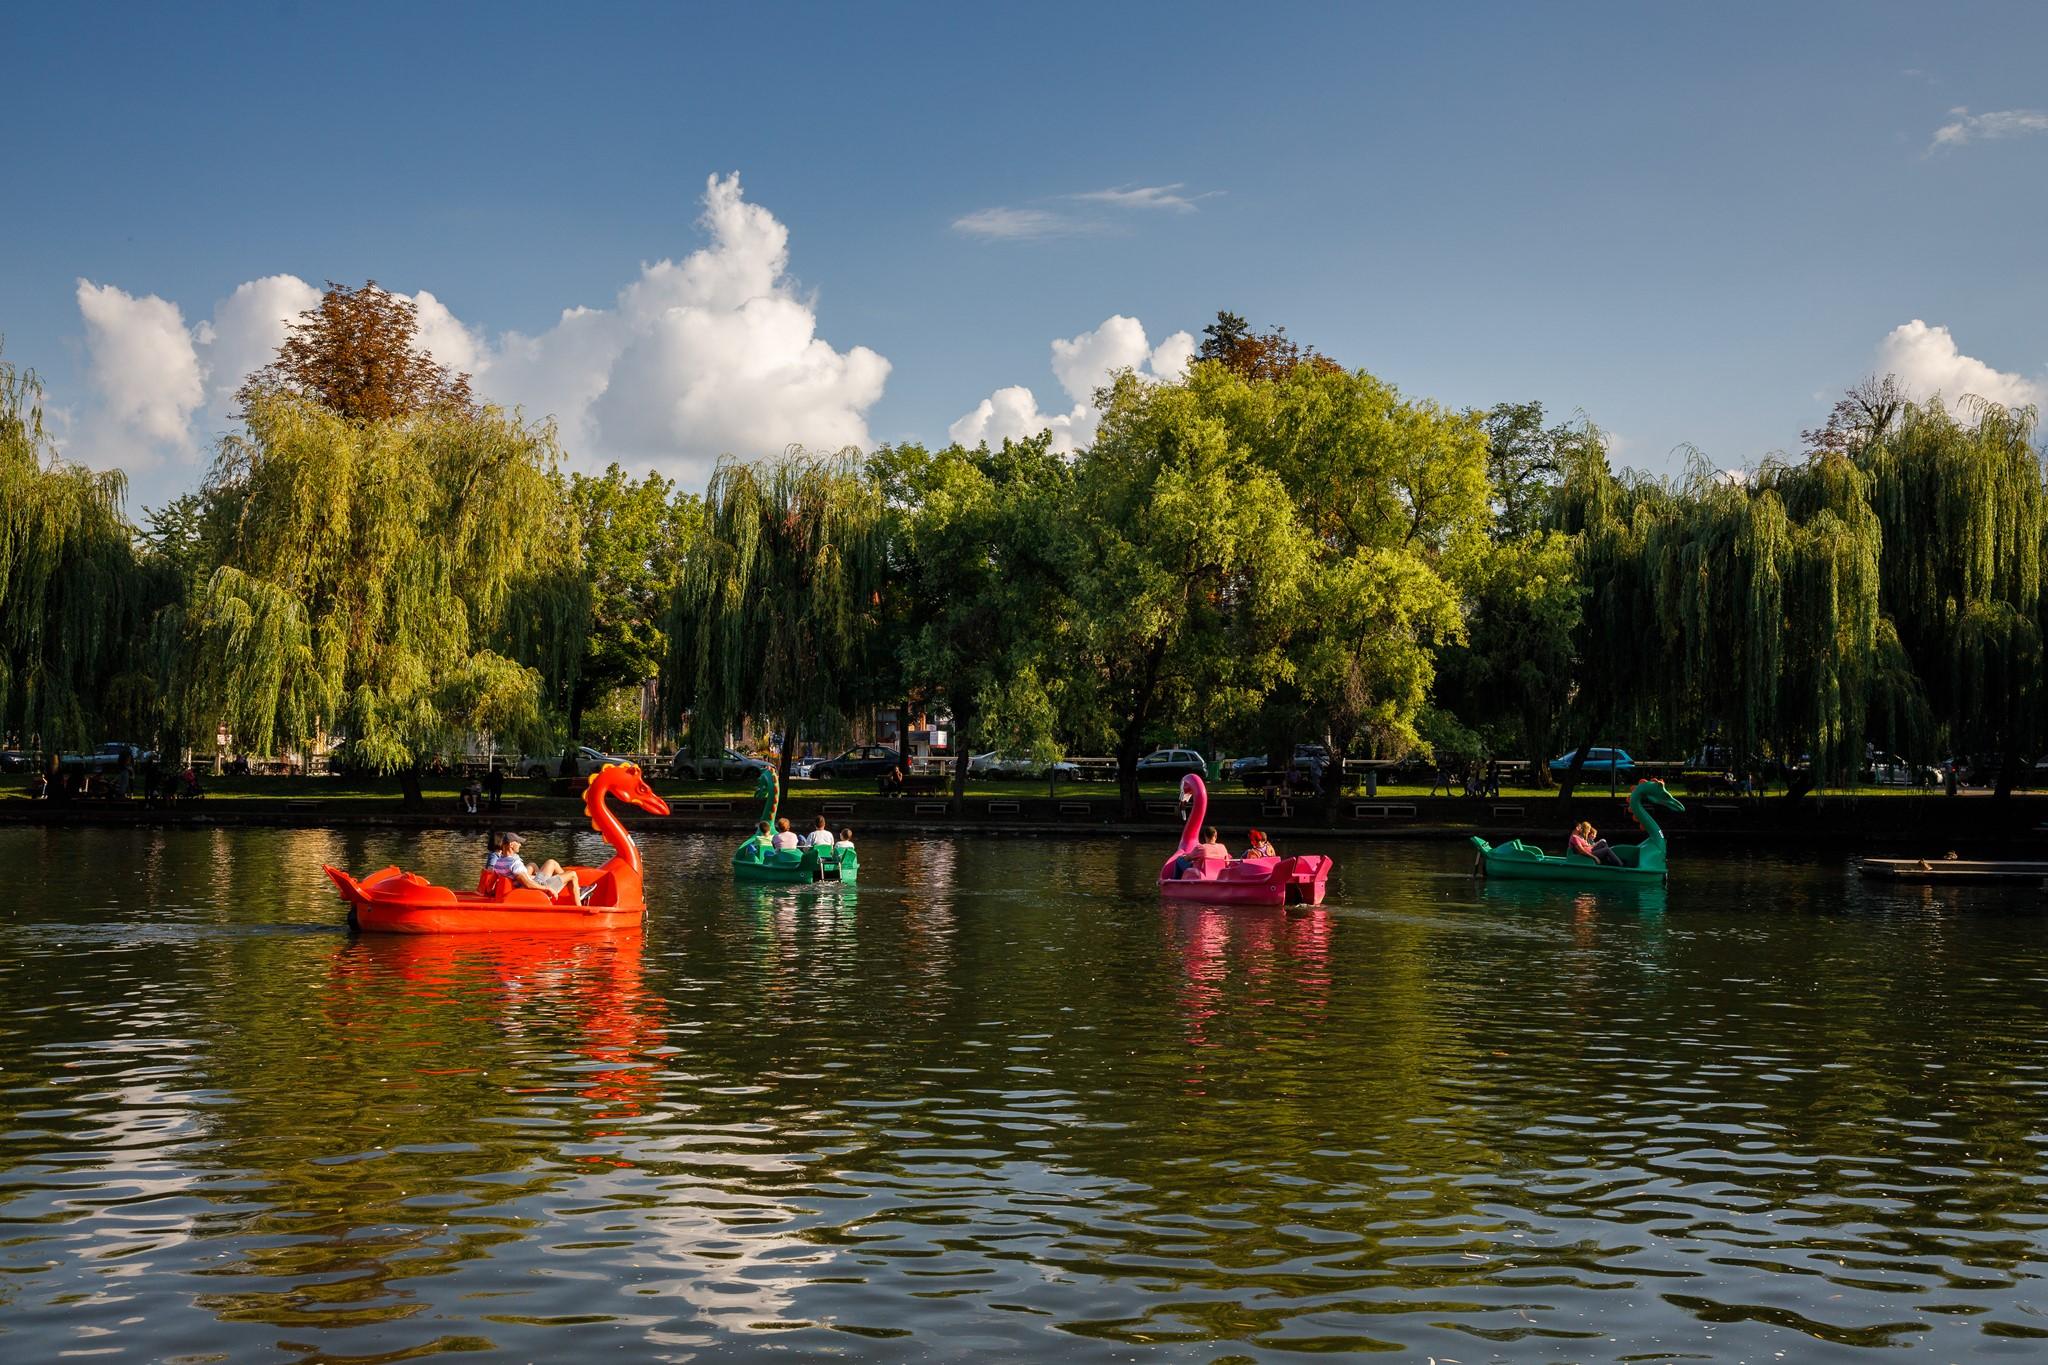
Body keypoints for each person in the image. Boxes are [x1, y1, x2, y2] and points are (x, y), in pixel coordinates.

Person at [486, 831, 580, 899]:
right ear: (511, 845)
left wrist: (495, 893)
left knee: (551, 862)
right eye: (518, 842)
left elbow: (489, 888)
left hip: (526, 886)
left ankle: (571, 887)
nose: (520, 845)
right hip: (535, 890)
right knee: (572, 874)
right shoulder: (515, 863)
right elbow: (528, 884)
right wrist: (547, 888)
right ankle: (579, 908)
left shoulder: (499, 862)